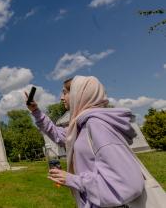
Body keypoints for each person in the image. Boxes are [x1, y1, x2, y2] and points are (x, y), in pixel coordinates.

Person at [25, 76, 144, 208]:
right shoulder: (82, 125)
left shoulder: (97, 125)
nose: (61, 97)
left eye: (65, 92)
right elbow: (58, 134)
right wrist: (35, 111)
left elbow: (128, 184)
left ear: (79, 93)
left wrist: (73, 180)